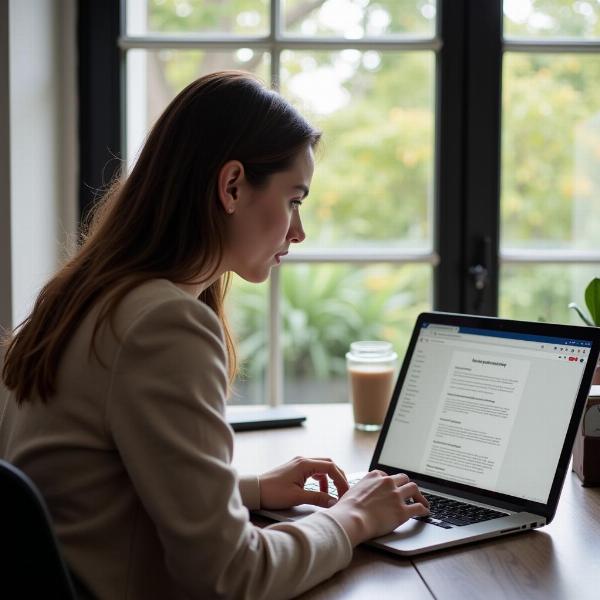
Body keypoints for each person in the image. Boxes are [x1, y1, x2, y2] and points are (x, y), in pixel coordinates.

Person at [0, 71, 429, 599]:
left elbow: (98, 488)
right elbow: (230, 577)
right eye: (294, 200)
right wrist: (353, 518)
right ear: (231, 186)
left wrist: (246, 489)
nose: (298, 231)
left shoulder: (85, 296)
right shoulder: (163, 324)